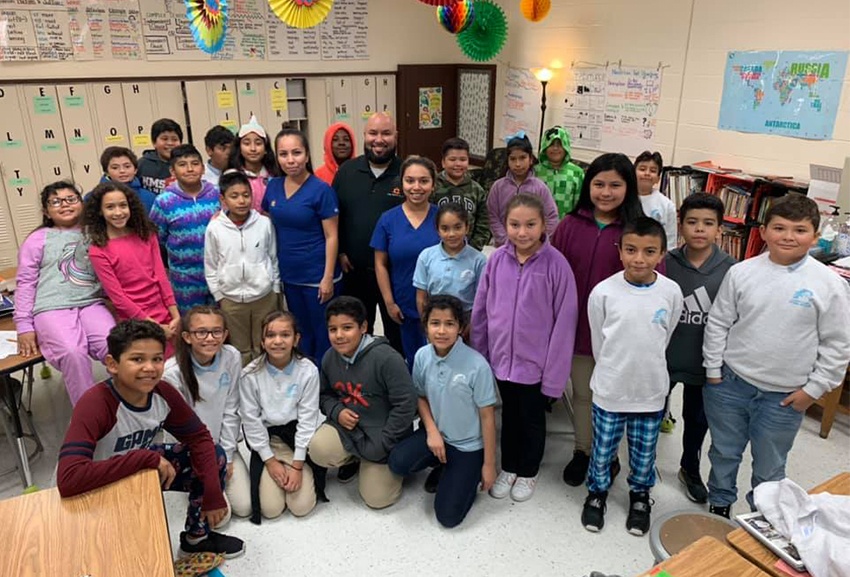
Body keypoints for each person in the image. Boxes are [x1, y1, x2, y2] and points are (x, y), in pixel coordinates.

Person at [702, 194, 850, 517]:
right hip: (730, 384)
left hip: (785, 396)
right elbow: (718, 322)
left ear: (814, 235)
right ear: (764, 231)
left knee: (770, 465)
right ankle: (720, 503)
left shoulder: (829, 285)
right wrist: (713, 371)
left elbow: (838, 345)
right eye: (779, 228)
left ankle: (763, 517)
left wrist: (812, 391)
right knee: (724, 451)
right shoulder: (742, 272)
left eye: (799, 230)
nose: (788, 236)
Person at [56, 320, 245, 558]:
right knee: (130, 557)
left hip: (138, 468)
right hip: (94, 484)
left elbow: (200, 439)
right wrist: (145, 457)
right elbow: (69, 479)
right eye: (137, 359)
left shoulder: (162, 392)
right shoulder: (96, 403)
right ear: (112, 364)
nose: (150, 367)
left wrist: (213, 494)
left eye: (156, 359)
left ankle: (197, 539)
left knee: (214, 454)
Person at [471, 194, 578, 502]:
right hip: (501, 360)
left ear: (544, 225)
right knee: (509, 416)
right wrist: (482, 357)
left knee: (531, 419)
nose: (522, 232)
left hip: (535, 366)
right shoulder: (496, 261)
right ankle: (510, 466)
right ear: (504, 226)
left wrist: (554, 377)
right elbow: (481, 310)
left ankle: (528, 470)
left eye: (530, 225)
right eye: (514, 225)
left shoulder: (557, 265)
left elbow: (564, 324)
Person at [581, 217, 683, 535]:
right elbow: (600, 342)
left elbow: (665, 336)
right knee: (602, 449)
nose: (639, 258)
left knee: (644, 451)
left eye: (649, 251)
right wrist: (615, 368)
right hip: (610, 388)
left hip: (650, 390)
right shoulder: (603, 292)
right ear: (620, 252)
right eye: (631, 250)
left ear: (662, 254)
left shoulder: (670, 291)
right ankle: (597, 492)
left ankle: (640, 495)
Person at [553, 152, 645, 488]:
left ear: (628, 188)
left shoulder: (638, 230)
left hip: (619, 332)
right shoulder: (569, 224)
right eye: (599, 184)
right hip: (574, 326)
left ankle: (608, 454)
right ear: (587, 186)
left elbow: (654, 282)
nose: (606, 192)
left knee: (612, 396)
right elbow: (551, 272)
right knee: (582, 393)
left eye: (615, 185)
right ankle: (583, 450)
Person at [388, 295, 497, 528]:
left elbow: (488, 418)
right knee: (398, 462)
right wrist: (432, 432)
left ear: (461, 328)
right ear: (425, 326)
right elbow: (421, 396)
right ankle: (445, 466)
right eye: (435, 323)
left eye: (450, 323)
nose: (441, 330)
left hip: (468, 445)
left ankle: (464, 472)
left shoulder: (477, 365)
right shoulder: (422, 356)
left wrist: (489, 465)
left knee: (448, 517)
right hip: (437, 434)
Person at [308, 296, 417, 509]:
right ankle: (355, 459)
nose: (339, 336)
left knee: (377, 499)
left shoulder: (386, 358)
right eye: (333, 329)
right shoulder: (330, 357)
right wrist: (337, 411)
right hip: (349, 429)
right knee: (318, 449)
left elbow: (406, 405)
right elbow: (324, 395)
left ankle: (378, 462)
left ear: (364, 327)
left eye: (347, 328)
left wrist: (385, 441)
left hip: (383, 435)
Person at [14, 181, 115, 405]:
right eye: (56, 202)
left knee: (116, 345)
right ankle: (89, 416)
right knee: (72, 352)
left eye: (71, 199)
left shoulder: (96, 233)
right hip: (51, 307)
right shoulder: (37, 239)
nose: (65, 205)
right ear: (46, 210)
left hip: (90, 304)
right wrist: (24, 326)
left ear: (81, 202)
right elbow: (25, 283)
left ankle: (129, 408)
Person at [665, 193, 735, 504]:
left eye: (708, 224)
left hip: (705, 362)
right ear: (680, 225)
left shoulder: (732, 270)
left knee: (697, 420)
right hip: (664, 358)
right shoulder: (665, 262)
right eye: (692, 222)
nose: (699, 229)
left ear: (719, 229)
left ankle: (689, 468)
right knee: (651, 414)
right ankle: (642, 465)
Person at [162, 306, 248, 523]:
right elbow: (184, 431)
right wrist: (210, 465)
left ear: (225, 334)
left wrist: (226, 457)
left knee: (245, 507)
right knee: (220, 519)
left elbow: (232, 409)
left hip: (222, 443)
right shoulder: (172, 373)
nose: (210, 338)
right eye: (201, 332)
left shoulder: (232, 357)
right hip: (192, 451)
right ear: (187, 337)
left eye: (216, 332)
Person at [264, 129, 341, 362]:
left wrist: (327, 277)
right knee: (300, 333)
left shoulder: (321, 190)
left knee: (324, 334)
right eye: (283, 154)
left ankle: (326, 386)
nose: (290, 160)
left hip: (317, 276)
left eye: (296, 153)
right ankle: (307, 380)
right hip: (290, 275)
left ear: (307, 155)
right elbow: (264, 222)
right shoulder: (273, 186)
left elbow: (332, 236)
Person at [240, 311, 323, 522]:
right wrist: (270, 461)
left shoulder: (308, 370)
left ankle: (298, 468)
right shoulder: (250, 374)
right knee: (271, 509)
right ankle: (278, 466)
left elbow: (308, 418)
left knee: (301, 507)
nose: (277, 341)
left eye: (285, 335)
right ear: (262, 340)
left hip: (296, 439)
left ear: (296, 339)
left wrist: (296, 466)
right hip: (268, 441)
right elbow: (251, 421)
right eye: (270, 335)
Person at [333, 112, 403, 354]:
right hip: (354, 271)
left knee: (397, 335)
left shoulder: (406, 173)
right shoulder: (346, 172)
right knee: (358, 334)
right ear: (364, 136)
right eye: (373, 133)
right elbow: (335, 218)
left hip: (395, 274)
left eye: (386, 133)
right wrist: (340, 251)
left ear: (396, 136)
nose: (379, 139)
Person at [85, 182, 180, 357]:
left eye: (123, 205)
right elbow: (118, 298)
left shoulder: (146, 234)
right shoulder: (98, 250)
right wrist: (154, 327)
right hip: (135, 320)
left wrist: (175, 315)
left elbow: (161, 277)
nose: (118, 212)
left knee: (176, 368)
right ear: (100, 211)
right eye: (110, 207)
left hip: (164, 313)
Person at [371, 155, 441, 369]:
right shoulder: (388, 219)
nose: (416, 187)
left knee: (441, 361)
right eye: (410, 180)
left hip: (440, 305)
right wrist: (389, 302)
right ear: (401, 183)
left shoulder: (443, 218)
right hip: (404, 305)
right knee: (412, 362)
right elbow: (380, 264)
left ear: (433, 184)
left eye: (423, 181)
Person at [204, 171, 280, 365]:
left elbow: (272, 257)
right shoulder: (215, 228)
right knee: (240, 350)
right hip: (231, 299)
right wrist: (219, 294)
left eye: (246, 195)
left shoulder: (263, 223)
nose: (241, 201)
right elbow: (211, 264)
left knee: (265, 344)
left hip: (264, 296)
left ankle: (264, 386)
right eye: (234, 196)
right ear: (223, 199)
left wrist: (275, 289)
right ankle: (244, 387)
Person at [150, 144, 220, 313]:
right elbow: (155, 240)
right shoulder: (164, 202)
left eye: (195, 163)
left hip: (219, 275)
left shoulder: (218, 195)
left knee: (220, 323)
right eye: (182, 165)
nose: (190, 169)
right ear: (172, 171)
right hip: (184, 280)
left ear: (203, 168)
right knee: (192, 325)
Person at [413, 202, 486, 335]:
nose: (451, 234)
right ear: (437, 229)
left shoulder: (478, 260)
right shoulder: (426, 256)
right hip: (435, 321)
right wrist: (427, 324)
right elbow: (421, 297)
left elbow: (481, 300)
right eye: (445, 228)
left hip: (466, 324)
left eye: (457, 227)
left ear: (467, 227)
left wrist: (469, 328)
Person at [487, 134, 559, 247]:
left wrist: (537, 240)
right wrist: (506, 240)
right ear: (507, 161)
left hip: (533, 246)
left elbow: (551, 217)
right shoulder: (498, 187)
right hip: (503, 245)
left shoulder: (540, 187)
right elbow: (492, 216)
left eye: (522, 158)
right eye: (513, 159)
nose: (518, 164)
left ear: (530, 159)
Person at [433, 137, 490, 250]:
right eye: (452, 159)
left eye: (463, 159)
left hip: (469, 250)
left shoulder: (477, 190)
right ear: (443, 162)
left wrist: (473, 247)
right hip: (437, 249)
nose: (458, 164)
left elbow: (484, 223)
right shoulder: (433, 187)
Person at [535, 126, 585, 218]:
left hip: (567, 225)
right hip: (539, 224)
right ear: (545, 147)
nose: (555, 148)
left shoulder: (577, 173)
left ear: (566, 146)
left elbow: (580, 204)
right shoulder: (535, 171)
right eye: (551, 144)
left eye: (559, 144)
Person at [229, 115, 276, 212]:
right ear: (239, 148)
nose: (253, 149)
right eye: (246, 143)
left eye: (258, 143)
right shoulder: (232, 176)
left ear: (266, 149)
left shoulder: (275, 176)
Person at [90, 147, 156, 214]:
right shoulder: (92, 198)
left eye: (127, 166)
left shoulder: (150, 197)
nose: (122, 171)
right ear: (107, 172)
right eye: (115, 168)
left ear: (135, 170)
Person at [635, 151, 677, 249]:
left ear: (658, 178)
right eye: (642, 169)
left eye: (653, 171)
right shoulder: (622, 197)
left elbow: (670, 241)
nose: (647, 173)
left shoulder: (667, 205)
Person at [137, 118, 183, 195]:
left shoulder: (185, 164)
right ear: (154, 142)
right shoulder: (142, 164)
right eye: (164, 139)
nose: (170, 143)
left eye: (174, 139)